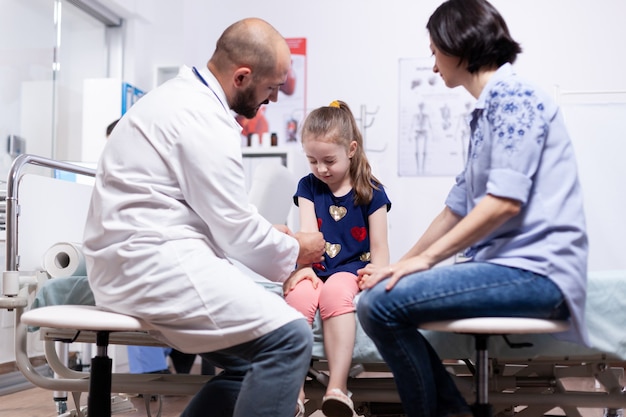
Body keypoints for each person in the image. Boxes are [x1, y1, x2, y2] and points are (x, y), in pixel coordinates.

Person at [83, 17, 326, 417]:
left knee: (250, 362)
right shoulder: (202, 119)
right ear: (243, 76)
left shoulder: (180, 101)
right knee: (291, 337)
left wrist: (270, 238)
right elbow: (235, 230)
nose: (274, 101)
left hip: (139, 261)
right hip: (152, 267)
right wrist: (295, 250)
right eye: (271, 88)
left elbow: (209, 215)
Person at [356, 1, 589, 416]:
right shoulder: (486, 112)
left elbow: (502, 204)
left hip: (537, 273)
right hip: (509, 268)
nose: (432, 66)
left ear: (457, 44)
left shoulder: (515, 97)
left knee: (378, 306)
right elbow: (457, 208)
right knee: (379, 295)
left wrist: (423, 262)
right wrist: (401, 265)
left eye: (434, 52)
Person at [283, 100, 391, 417]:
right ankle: (294, 393)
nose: (321, 169)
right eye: (312, 160)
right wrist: (302, 270)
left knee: (335, 292)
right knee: (298, 296)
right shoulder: (308, 186)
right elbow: (308, 237)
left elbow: (381, 250)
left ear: (352, 149)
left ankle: (338, 389)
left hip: (353, 267)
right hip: (316, 264)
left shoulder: (372, 191)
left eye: (329, 160)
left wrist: (377, 274)